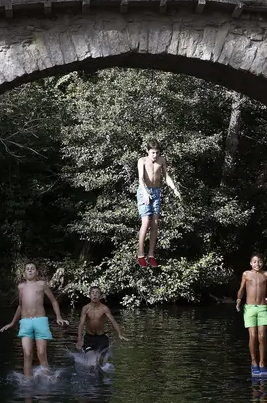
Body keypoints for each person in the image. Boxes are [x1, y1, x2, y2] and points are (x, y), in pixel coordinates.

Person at [0, 262, 69, 378]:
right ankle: (27, 382)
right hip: (25, 322)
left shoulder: (42, 284)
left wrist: (59, 317)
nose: (30, 270)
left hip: (40, 321)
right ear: (24, 273)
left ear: (37, 272)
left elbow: (53, 301)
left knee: (42, 353)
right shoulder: (21, 287)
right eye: (27, 269)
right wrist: (12, 323)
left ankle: (46, 381)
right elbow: (20, 306)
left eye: (32, 269)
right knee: (27, 354)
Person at [136, 139, 182, 267]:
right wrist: (145, 192)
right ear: (147, 151)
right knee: (145, 222)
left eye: (157, 153)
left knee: (155, 223)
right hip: (144, 191)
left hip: (156, 191)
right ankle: (140, 254)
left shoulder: (161, 160)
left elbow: (166, 176)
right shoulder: (142, 161)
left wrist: (175, 189)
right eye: (152, 153)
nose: (155, 155)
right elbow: (140, 179)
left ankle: (151, 255)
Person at [236, 253, 267, 378]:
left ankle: (262, 364)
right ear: (250, 263)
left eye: (259, 262)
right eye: (254, 262)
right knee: (253, 336)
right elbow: (241, 289)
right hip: (249, 308)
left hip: (262, 309)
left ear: (262, 263)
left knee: (262, 336)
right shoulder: (246, 274)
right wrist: (238, 300)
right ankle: (253, 362)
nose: (257, 264)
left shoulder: (266, 275)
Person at [76, 286, 128, 367]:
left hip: (102, 338)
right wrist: (79, 340)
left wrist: (119, 334)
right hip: (89, 338)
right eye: (92, 293)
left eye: (97, 293)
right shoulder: (85, 308)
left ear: (100, 296)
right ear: (89, 295)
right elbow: (81, 324)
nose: (95, 295)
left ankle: (101, 368)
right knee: (92, 361)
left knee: (100, 362)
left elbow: (113, 321)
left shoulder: (104, 308)